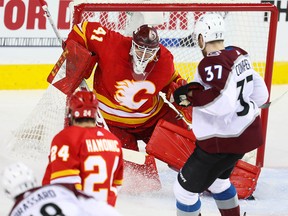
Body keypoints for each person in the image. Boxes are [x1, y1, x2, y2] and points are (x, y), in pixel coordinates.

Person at [172, 13, 269, 216]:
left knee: (184, 192)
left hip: (219, 144)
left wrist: (191, 98)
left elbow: (220, 102)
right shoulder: (239, 54)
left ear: (201, 38)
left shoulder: (209, 63)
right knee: (218, 182)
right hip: (245, 137)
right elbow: (261, 94)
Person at [63, 22, 192, 151]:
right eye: (140, 49)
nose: (143, 55)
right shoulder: (113, 44)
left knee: (188, 149)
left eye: (149, 52)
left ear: (156, 50)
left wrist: (181, 95)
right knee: (133, 169)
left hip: (152, 119)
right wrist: (73, 52)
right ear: (132, 44)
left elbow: (172, 82)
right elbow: (83, 29)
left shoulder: (164, 60)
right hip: (112, 123)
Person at [42, 90, 124, 207]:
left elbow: (64, 186)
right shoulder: (114, 141)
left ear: (71, 114)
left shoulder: (66, 137)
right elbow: (117, 184)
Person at [1, 162, 122, 216]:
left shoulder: (15, 213)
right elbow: (97, 207)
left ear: (7, 191)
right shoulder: (59, 189)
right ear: (32, 178)